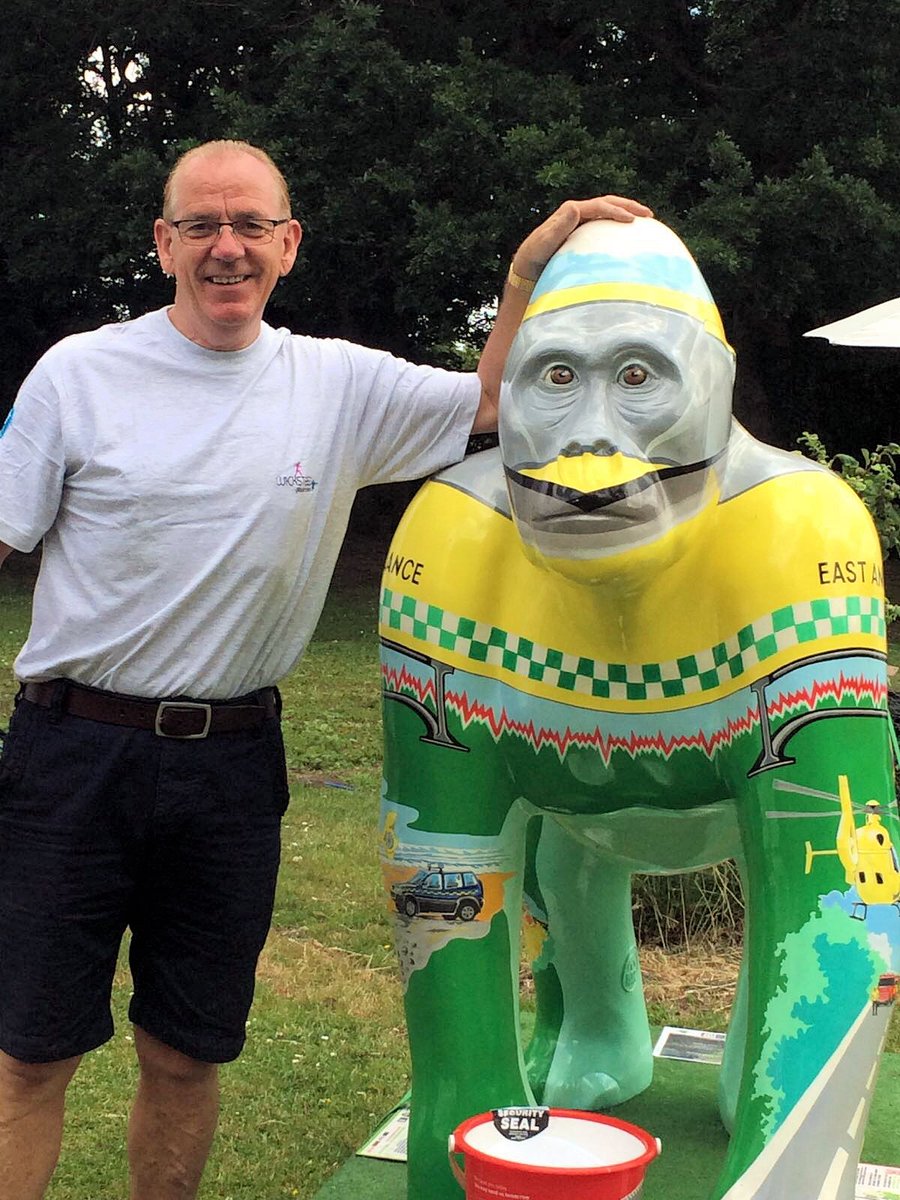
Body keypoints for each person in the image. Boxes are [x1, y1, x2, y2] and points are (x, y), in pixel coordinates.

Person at [0, 138, 651, 1199]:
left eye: (250, 225)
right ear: (163, 243)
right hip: (74, 754)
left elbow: (498, 401)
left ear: (288, 244)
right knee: (30, 1055)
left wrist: (527, 272)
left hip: (229, 767)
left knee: (187, 1051)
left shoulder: (336, 383)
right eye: (201, 226)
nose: (226, 247)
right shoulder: (79, 374)